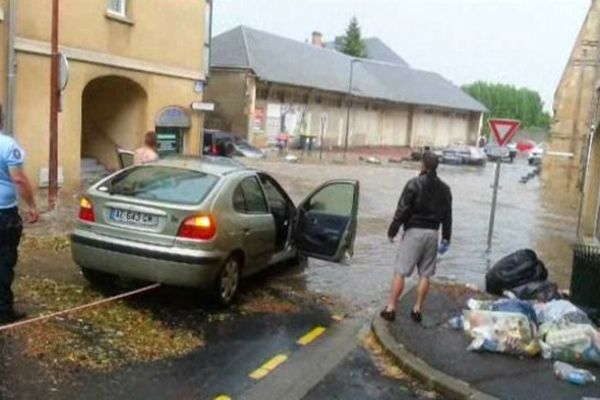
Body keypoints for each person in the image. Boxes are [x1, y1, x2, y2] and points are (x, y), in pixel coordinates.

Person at [380, 151, 452, 323]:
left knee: (401, 271)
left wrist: (392, 231)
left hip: (414, 232)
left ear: (423, 165)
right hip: (433, 234)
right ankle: (417, 309)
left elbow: (402, 210)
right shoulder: (445, 189)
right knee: (425, 275)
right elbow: (448, 216)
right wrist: (446, 238)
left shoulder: (413, 184)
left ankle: (391, 308)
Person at [0, 131, 39, 324]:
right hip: (3, 214)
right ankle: (3, 310)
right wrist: (31, 205)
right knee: (4, 261)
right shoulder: (8, 145)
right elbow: (19, 179)